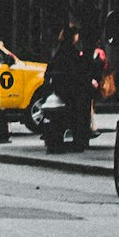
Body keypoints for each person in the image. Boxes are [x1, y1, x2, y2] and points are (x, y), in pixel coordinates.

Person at [46, 20, 96, 148]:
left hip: (61, 87)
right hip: (70, 88)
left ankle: (74, 137)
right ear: (74, 36)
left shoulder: (59, 50)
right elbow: (76, 71)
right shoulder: (70, 51)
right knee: (79, 110)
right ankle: (80, 139)